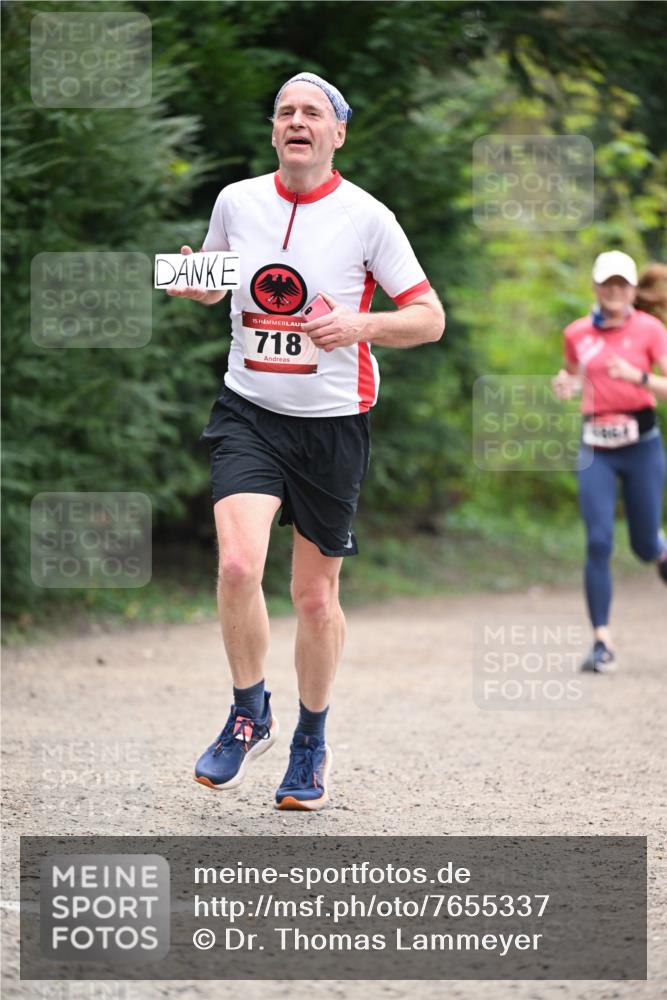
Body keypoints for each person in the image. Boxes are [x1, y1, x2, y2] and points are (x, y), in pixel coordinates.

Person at [167, 72, 444, 808]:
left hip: (332, 426)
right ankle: (248, 711)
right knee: (234, 564)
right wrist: (195, 281)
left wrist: (361, 325)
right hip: (249, 410)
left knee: (314, 600)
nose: (297, 121)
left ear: (337, 133)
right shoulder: (238, 201)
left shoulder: (368, 218)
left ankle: (310, 741)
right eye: (285, 111)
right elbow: (219, 278)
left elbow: (428, 317)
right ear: (273, 132)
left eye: (312, 112)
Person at [553, 251, 667, 673]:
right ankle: (602, 641)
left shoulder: (651, 330)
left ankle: (658, 550)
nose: (614, 291)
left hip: (642, 447)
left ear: (634, 290)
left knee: (641, 545)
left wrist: (636, 377)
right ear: (596, 288)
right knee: (599, 541)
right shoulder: (577, 332)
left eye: (622, 284)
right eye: (607, 284)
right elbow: (572, 373)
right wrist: (565, 383)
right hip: (595, 447)